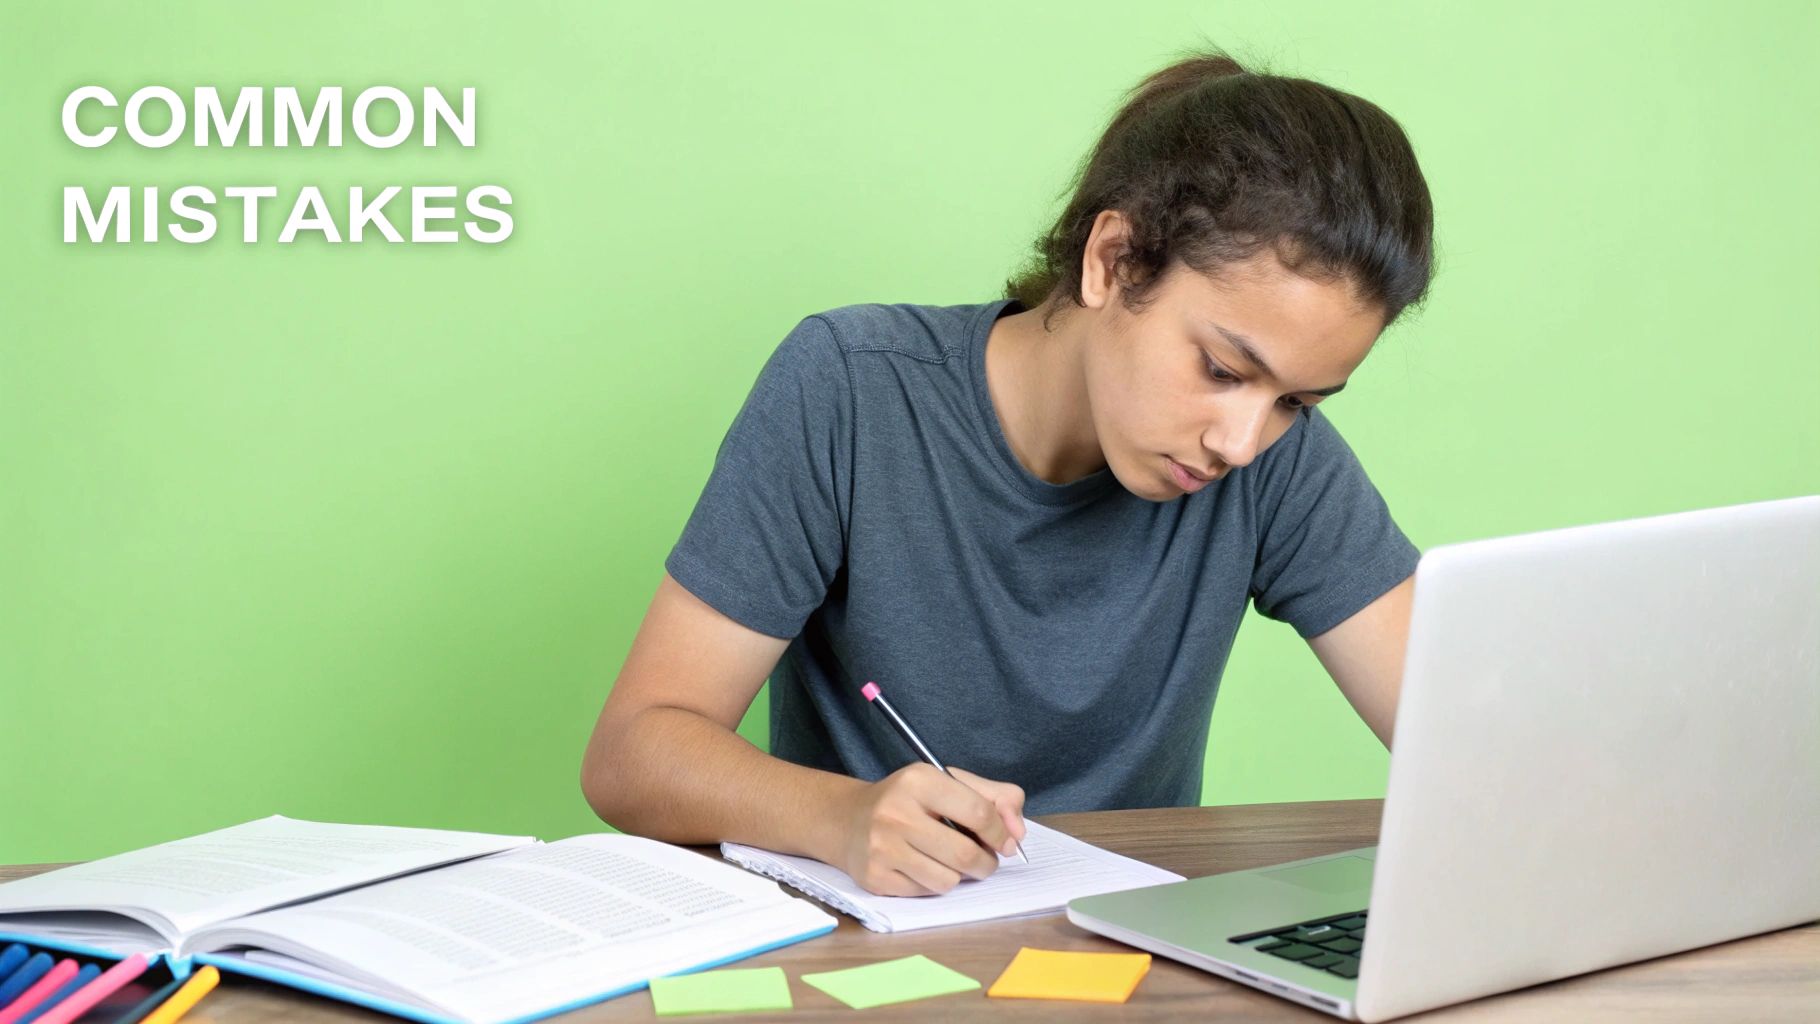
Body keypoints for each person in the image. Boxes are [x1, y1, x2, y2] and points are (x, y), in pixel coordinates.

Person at [581, 48, 1434, 899]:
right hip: (869, 956)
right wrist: (839, 817)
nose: (1243, 441)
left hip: (1130, 963)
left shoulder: (1277, 463)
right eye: (1220, 368)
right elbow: (632, 751)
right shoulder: (851, 388)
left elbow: (1463, 741)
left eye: (1299, 401)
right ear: (1112, 260)